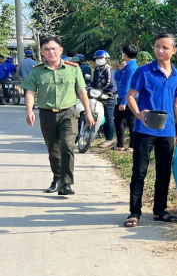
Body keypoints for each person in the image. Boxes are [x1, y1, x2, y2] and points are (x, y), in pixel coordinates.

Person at [21, 35, 94, 196]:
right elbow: (30, 92)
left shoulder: (73, 69)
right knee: (53, 150)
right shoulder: (37, 71)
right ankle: (57, 177)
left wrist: (88, 113)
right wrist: (29, 111)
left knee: (67, 146)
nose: (51, 52)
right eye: (46, 49)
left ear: (60, 50)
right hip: (47, 115)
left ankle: (66, 183)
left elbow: (82, 92)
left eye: (54, 48)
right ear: (42, 52)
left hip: (68, 113)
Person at [124, 33, 177, 228]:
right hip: (144, 130)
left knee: (164, 173)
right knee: (139, 172)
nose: (160, 50)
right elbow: (130, 96)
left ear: (174, 51)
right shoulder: (143, 72)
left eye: (165, 47)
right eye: (157, 46)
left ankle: (160, 211)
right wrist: (139, 114)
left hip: (167, 132)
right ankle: (134, 212)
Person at [114, 44, 139, 152]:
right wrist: (119, 68)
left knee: (131, 122)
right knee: (118, 120)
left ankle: (133, 145)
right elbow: (115, 78)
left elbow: (129, 86)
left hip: (130, 98)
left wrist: (124, 102)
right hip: (121, 97)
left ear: (125, 54)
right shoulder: (125, 66)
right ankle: (120, 144)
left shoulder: (132, 68)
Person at [90, 50, 117, 148]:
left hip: (109, 96)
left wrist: (102, 90)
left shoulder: (109, 69)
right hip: (98, 96)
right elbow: (94, 82)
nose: (98, 60)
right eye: (97, 58)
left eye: (100, 58)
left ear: (106, 59)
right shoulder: (97, 69)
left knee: (109, 118)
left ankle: (109, 139)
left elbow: (110, 83)